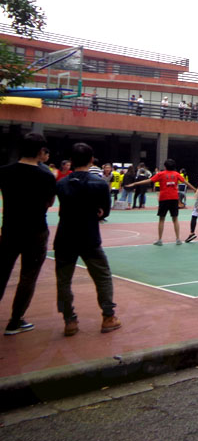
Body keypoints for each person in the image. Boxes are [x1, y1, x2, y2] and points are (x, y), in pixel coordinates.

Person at [53, 142, 121, 336]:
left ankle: (69, 320)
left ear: (71, 161)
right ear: (92, 160)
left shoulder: (61, 184)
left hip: (65, 236)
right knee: (103, 276)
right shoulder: (99, 184)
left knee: (63, 281)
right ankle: (108, 316)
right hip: (89, 236)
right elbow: (104, 211)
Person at [0, 133, 57, 335]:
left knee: (2, 272)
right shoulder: (46, 176)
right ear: (41, 151)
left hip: (9, 229)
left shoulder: (4, 171)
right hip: (36, 231)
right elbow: (49, 202)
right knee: (28, 277)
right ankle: (15, 321)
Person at [129, 159, 195, 245]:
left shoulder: (161, 174)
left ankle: (160, 240)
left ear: (165, 166)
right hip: (174, 199)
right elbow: (186, 182)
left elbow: (149, 180)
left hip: (164, 199)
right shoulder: (176, 174)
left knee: (161, 219)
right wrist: (195, 189)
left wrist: (135, 184)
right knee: (175, 219)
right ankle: (178, 239)